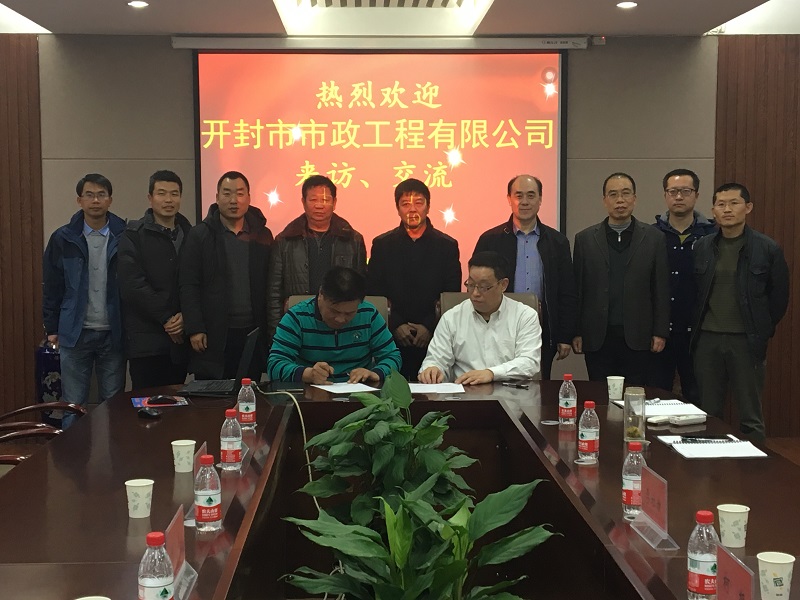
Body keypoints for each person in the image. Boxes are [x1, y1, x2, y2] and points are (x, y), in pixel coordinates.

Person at [691, 183, 789, 442]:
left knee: (750, 415)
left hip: (746, 340)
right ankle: (709, 464)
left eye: (734, 203)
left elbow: (779, 298)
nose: (727, 209)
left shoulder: (767, 248)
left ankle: (752, 466)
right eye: (721, 204)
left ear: (748, 207)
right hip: (707, 339)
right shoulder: (702, 247)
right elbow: (695, 293)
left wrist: (762, 329)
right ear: (713, 210)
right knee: (709, 413)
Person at [42, 173, 126, 427]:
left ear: (110, 200)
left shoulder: (125, 235)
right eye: (89, 195)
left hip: (114, 331)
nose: (95, 200)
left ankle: (112, 454)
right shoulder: (63, 238)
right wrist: (52, 327)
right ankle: (73, 453)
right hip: (74, 332)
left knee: (113, 404)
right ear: (79, 200)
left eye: (101, 195)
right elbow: (52, 286)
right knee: (73, 406)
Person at [474, 174, 577, 379]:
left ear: (540, 200)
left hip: (542, 328)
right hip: (497, 326)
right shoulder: (490, 240)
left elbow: (567, 291)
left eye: (531, 195)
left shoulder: (557, 242)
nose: (524, 202)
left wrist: (565, 335)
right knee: (496, 382)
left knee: (538, 385)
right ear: (509, 199)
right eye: (518, 195)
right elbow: (476, 286)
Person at [572, 172, 670, 385]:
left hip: (639, 336)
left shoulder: (654, 238)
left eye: (626, 194)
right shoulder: (585, 239)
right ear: (604, 200)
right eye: (613, 194)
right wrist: (576, 331)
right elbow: (578, 290)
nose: (620, 200)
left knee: (635, 395)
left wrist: (660, 332)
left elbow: (661, 289)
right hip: (597, 336)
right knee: (599, 393)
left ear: (635, 198)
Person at [180, 171, 273, 380]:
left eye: (240, 194)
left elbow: (271, 284)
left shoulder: (263, 235)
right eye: (227, 193)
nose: (234, 200)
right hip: (214, 333)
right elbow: (188, 284)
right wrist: (195, 328)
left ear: (249, 197)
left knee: (249, 393)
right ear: (216, 197)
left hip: (253, 332)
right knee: (212, 395)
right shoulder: (200, 235)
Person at [367, 178, 461, 380]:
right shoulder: (382, 245)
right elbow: (374, 292)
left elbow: (450, 294)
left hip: (435, 336)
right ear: (397, 209)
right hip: (390, 336)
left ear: (428, 206)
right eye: (405, 204)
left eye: (418, 203)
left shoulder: (446, 246)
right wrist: (396, 324)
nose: (412, 209)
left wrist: (428, 326)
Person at [418, 251, 541, 385]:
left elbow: (529, 362)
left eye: (483, 287)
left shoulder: (524, 316)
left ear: (503, 285)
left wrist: (491, 373)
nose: (475, 293)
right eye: (471, 285)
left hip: (511, 392)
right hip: (465, 392)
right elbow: (436, 359)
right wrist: (432, 369)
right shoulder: (452, 317)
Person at [267, 175, 366, 339]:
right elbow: (274, 294)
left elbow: (360, 290)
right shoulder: (284, 240)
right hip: (298, 324)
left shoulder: (353, 240)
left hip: (341, 323)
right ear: (303, 202)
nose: (319, 205)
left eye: (325, 200)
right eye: (313, 199)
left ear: (334, 203)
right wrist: (276, 334)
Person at [118, 170, 192, 390]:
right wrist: (167, 318)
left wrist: (186, 315)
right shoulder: (134, 235)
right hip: (146, 342)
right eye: (162, 193)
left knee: (177, 403)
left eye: (174, 194)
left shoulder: (191, 234)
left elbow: (196, 282)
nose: (168, 200)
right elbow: (132, 285)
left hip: (179, 341)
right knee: (145, 404)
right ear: (150, 198)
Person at [267, 267, 401, 384]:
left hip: (359, 393)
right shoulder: (297, 317)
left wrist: (376, 373)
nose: (341, 319)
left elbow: (392, 356)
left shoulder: (368, 314)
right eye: (334, 311)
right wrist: (308, 374)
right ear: (321, 295)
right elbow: (274, 365)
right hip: (309, 395)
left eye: (349, 313)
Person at [651, 168, 716, 402]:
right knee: (657, 397)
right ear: (665, 195)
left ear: (696, 195)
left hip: (699, 333)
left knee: (698, 398)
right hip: (659, 333)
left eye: (686, 191)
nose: (679, 197)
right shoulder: (650, 235)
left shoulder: (712, 236)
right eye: (673, 191)